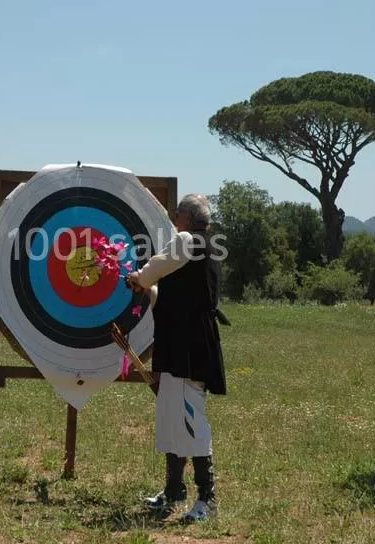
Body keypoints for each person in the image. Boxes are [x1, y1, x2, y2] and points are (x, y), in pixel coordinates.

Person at [126, 194, 228, 522]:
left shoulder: (187, 240)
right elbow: (174, 293)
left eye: (177, 214)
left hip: (189, 345)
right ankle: (173, 491)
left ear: (186, 216)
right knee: (171, 417)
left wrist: (140, 278)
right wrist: (146, 287)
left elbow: (155, 269)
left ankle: (208, 499)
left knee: (191, 421)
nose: (174, 219)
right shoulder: (199, 246)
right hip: (180, 342)